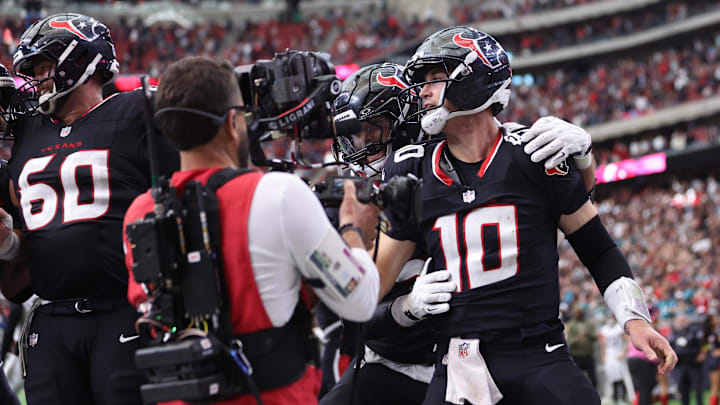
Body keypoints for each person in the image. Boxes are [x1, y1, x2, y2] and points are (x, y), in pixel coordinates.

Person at [375, 26, 677, 405]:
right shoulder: (411, 169)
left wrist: (635, 319)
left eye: (435, 78)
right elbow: (376, 284)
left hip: (538, 355)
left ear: (474, 78)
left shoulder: (535, 155)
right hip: (456, 362)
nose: (423, 91)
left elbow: (598, 249)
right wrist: (406, 305)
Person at [322, 62, 598, 405]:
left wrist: (584, 159)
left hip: (468, 363)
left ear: (405, 125)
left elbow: (570, 210)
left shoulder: (479, 157)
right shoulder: (353, 201)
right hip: (391, 363)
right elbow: (350, 314)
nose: (359, 146)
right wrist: (405, 308)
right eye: (356, 135)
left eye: (373, 130)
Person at [122, 55, 381, 405]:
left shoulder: (139, 212)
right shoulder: (280, 196)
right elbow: (359, 301)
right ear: (232, 122)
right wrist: (354, 230)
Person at [0, 13, 179, 405]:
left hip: (122, 309)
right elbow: (33, 240)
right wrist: (7, 245)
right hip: (51, 320)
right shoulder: (28, 133)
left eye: (44, 65)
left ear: (80, 60)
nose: (38, 78)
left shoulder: (136, 111)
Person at [669, 313, 705, 405]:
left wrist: (702, 353)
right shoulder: (673, 334)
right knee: (683, 388)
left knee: (698, 388)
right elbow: (671, 348)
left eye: (683, 320)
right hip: (681, 364)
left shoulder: (694, 332)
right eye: (680, 321)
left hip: (694, 363)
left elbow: (703, 343)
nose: (682, 323)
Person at [600, 317, 632, 404]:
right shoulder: (604, 329)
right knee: (612, 376)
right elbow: (603, 344)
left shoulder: (619, 328)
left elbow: (628, 341)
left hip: (618, 354)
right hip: (609, 355)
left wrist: (623, 353)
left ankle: (623, 396)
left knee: (621, 376)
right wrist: (603, 356)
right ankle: (615, 396)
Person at [565, 307, 598, 388]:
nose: (578, 314)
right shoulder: (570, 324)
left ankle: (595, 394)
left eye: (580, 312)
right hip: (576, 355)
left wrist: (589, 334)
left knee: (593, 378)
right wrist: (578, 339)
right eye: (577, 312)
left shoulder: (589, 323)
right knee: (577, 378)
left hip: (588, 354)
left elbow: (596, 337)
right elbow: (568, 341)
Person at [705, 313, 720, 405]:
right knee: (715, 387)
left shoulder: (709, 333)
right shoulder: (716, 332)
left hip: (712, 360)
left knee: (714, 387)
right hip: (717, 361)